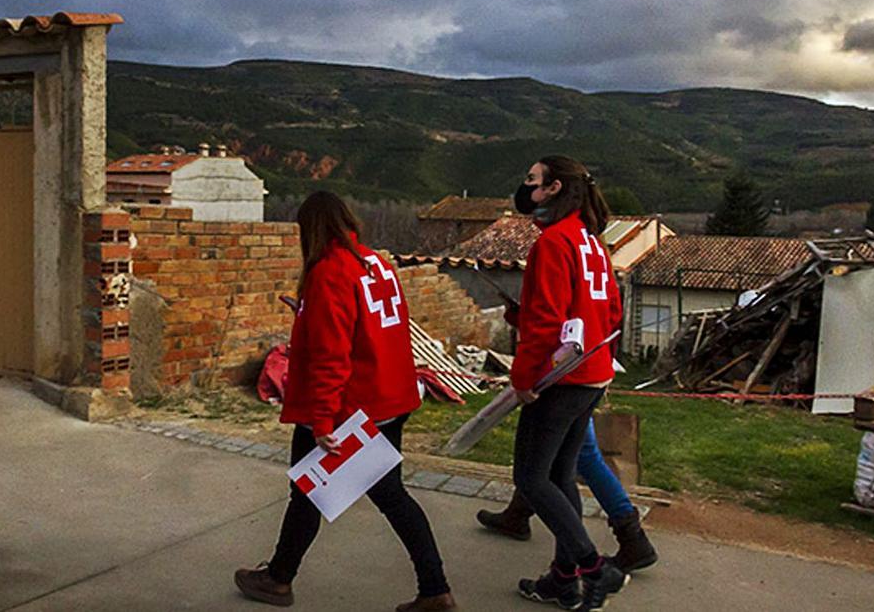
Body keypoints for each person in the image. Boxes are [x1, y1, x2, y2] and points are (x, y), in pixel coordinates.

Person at [235, 191, 457, 611]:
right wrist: (309, 312)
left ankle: (281, 579)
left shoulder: (328, 271)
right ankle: (432, 588)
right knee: (362, 494)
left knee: (315, 492)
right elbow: (368, 328)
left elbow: (331, 355)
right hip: (390, 399)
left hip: (349, 409)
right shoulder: (376, 263)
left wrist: (322, 421)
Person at [507, 155, 629, 611]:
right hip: (592, 372)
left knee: (531, 476)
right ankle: (562, 578)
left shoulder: (553, 243)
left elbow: (544, 321)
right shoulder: (591, 242)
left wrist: (523, 377)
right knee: (560, 475)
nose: (526, 189)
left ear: (554, 189)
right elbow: (610, 312)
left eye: (532, 180)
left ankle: (595, 568)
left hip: (560, 379)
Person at [476, 419, 658, 573]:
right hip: (579, 384)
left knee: (580, 454)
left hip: (568, 386)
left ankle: (629, 539)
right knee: (551, 452)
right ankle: (518, 513)